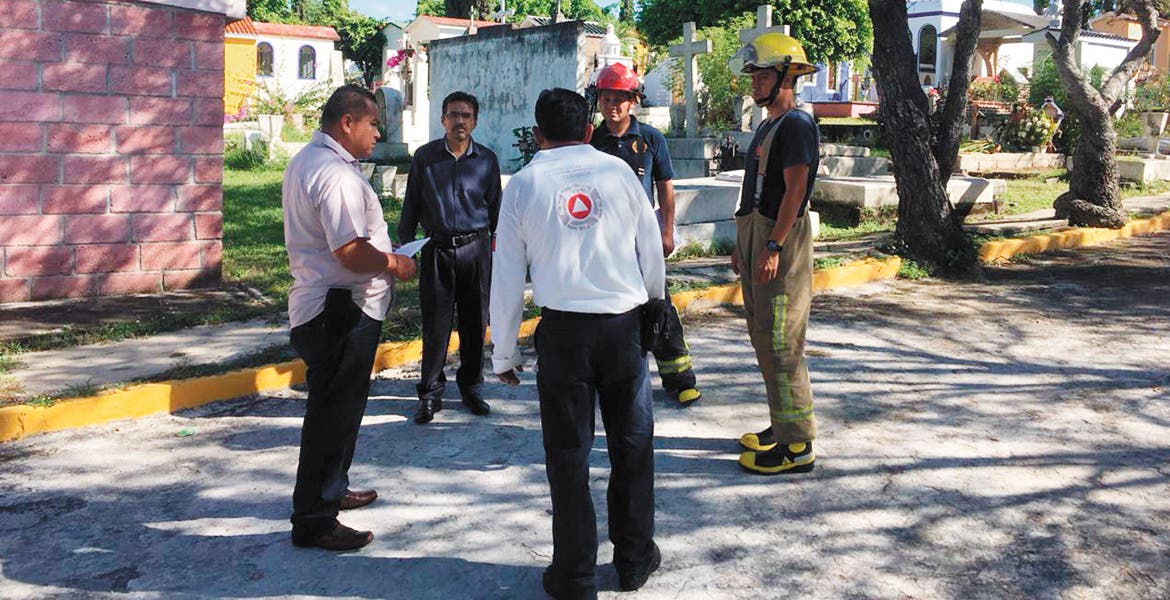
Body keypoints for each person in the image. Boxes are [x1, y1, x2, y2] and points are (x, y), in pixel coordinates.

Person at [491, 88, 666, 599]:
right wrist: (656, 304)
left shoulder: (523, 185)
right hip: (623, 330)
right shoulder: (619, 173)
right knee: (632, 446)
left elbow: (506, 276)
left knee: (568, 456)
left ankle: (574, 576)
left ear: (537, 135)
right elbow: (650, 245)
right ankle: (634, 559)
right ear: (589, 131)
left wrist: (504, 351)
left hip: (564, 336)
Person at [282, 84, 416, 550]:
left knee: (342, 408)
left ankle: (333, 489)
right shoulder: (334, 174)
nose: (378, 132)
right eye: (373, 123)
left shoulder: (310, 161)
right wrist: (394, 262)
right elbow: (350, 251)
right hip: (338, 308)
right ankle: (314, 520)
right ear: (347, 123)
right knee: (331, 415)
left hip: (333, 304)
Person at [727, 33, 820, 475]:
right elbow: (758, 190)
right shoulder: (769, 124)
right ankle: (783, 424)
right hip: (757, 235)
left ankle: (797, 445)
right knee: (764, 337)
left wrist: (773, 245)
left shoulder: (797, 124)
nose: (755, 83)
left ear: (786, 76)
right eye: (754, 76)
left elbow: (796, 190)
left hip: (778, 241)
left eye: (763, 75)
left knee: (782, 342)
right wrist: (742, 245)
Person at [587, 62, 702, 407]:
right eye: (606, 99)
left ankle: (679, 378)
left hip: (643, 239)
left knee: (658, 305)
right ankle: (606, 378)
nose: (612, 106)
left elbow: (665, 185)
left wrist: (666, 230)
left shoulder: (651, 139)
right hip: (602, 241)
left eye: (619, 99)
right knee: (607, 310)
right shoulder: (591, 141)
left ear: (633, 101)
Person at [398, 91, 502, 424]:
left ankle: (471, 388)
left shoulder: (486, 160)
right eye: (454, 115)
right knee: (436, 325)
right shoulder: (425, 158)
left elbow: (496, 210)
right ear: (443, 120)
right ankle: (430, 393)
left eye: (466, 115)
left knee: (474, 324)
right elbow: (412, 203)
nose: (460, 121)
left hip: (476, 251)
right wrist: (405, 246)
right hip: (437, 251)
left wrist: (501, 254)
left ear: (475, 121)